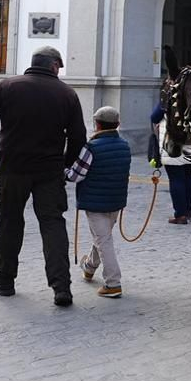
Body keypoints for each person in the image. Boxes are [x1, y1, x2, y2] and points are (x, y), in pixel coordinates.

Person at [0, 47, 87, 307]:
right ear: (54, 66)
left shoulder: (8, 86)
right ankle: (61, 287)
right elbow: (78, 138)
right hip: (49, 171)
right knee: (53, 225)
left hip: (13, 168)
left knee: (10, 223)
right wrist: (63, 166)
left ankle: (4, 281)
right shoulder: (67, 94)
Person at [68, 106, 132, 299]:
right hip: (116, 201)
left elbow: (75, 176)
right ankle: (89, 267)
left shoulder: (91, 148)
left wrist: (63, 172)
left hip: (95, 203)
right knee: (102, 237)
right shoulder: (125, 145)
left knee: (103, 240)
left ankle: (113, 283)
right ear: (117, 124)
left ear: (96, 124)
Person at [150, 101, 191, 224]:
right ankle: (187, 211)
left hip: (172, 143)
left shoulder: (170, 95)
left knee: (176, 178)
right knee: (188, 176)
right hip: (190, 142)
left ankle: (180, 214)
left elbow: (154, 116)